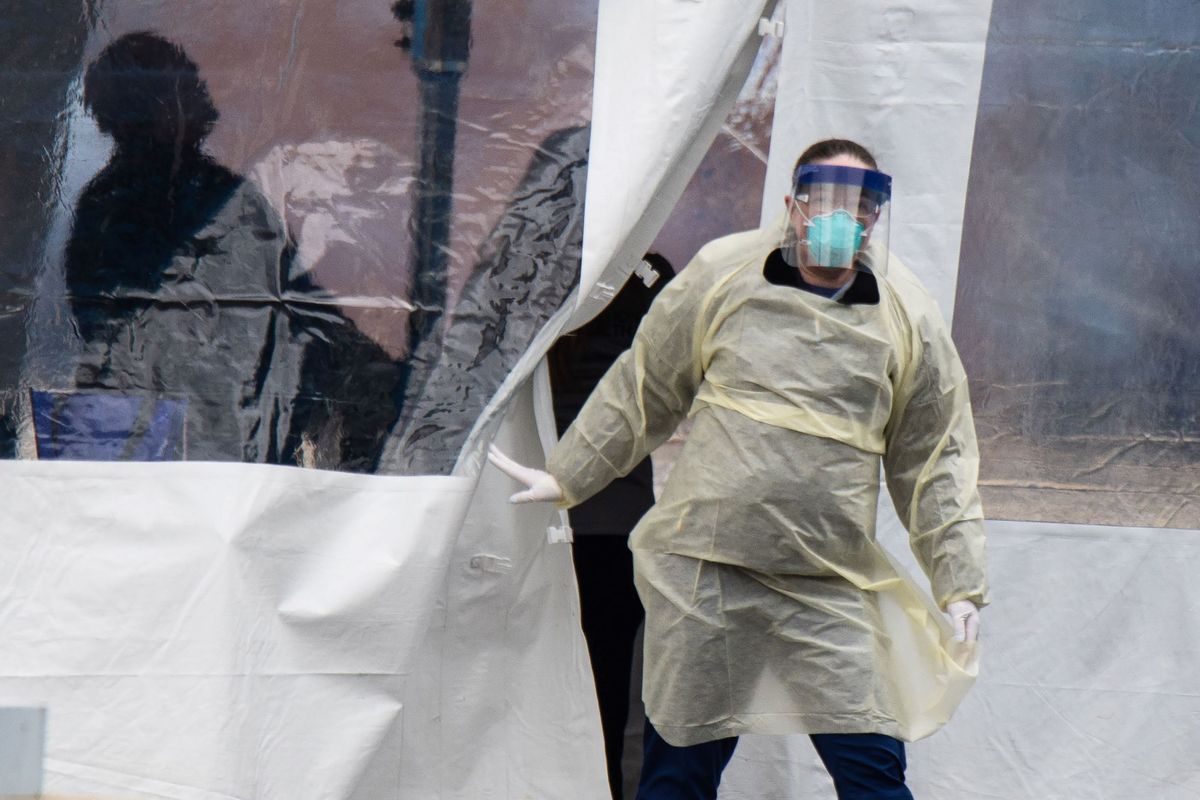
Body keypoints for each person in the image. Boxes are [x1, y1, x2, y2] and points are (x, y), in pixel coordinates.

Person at [488, 138, 988, 799]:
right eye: (828, 202)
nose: (843, 219)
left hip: (827, 583)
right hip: (709, 579)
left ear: (874, 218)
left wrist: (959, 579)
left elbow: (934, 453)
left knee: (873, 774)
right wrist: (569, 474)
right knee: (678, 777)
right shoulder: (725, 276)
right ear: (794, 205)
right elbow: (647, 384)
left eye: (860, 207)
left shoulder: (904, 314)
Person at [548, 253, 674, 799]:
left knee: (558, 681)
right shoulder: (648, 278)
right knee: (610, 690)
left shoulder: (542, 280)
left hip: (549, 523)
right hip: (611, 526)